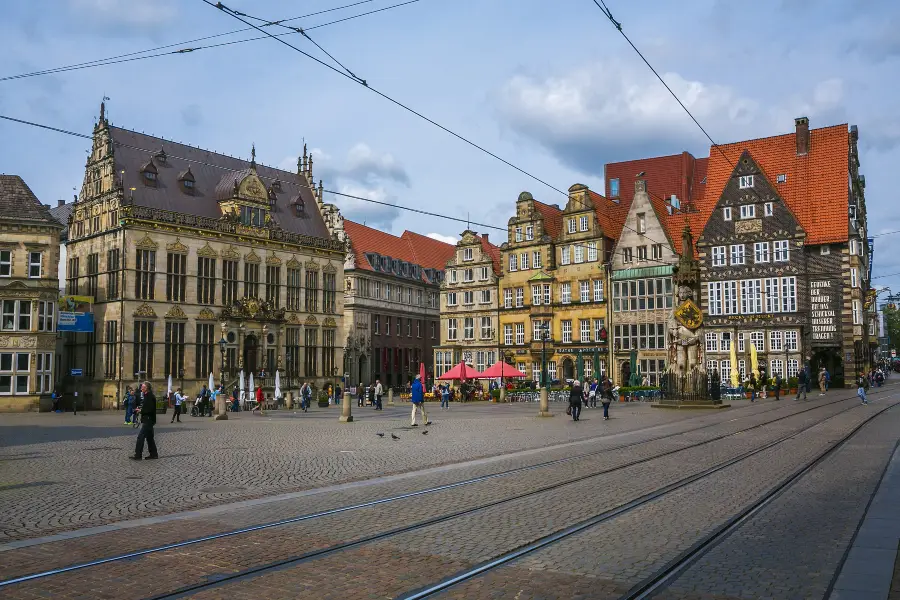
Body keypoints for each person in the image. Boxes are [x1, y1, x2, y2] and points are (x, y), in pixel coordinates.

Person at [131, 381, 158, 460]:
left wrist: (140, 411)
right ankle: (154, 454)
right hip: (148, 419)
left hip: (148, 420)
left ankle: (138, 455)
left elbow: (150, 409)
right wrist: (140, 409)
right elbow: (147, 407)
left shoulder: (150, 396)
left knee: (140, 437)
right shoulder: (147, 395)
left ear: (146, 388)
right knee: (149, 437)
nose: (141, 388)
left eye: (142, 387)